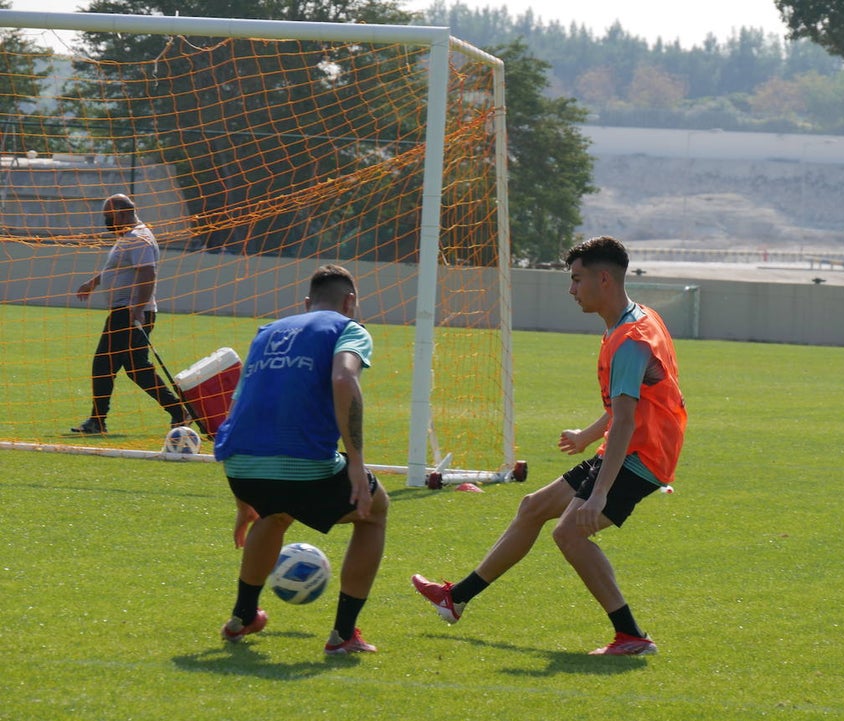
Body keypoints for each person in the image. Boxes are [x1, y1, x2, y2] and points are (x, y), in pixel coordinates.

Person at [413, 236, 687, 655]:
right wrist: (588, 436)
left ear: (604, 279)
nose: (571, 289)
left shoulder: (630, 340)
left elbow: (630, 420)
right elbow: (630, 406)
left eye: (577, 280)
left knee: (570, 534)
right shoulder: (636, 320)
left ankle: (632, 636)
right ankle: (457, 597)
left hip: (641, 457)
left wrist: (597, 496)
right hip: (631, 447)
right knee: (532, 508)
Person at [213, 264, 389, 656]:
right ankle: (344, 635)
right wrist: (357, 464)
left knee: (275, 512)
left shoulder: (266, 333)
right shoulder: (348, 328)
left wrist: (244, 503)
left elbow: (239, 405)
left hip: (240, 467)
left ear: (307, 304)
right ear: (350, 302)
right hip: (303, 469)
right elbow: (344, 380)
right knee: (375, 510)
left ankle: (244, 616)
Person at [71, 193, 191, 434]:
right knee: (137, 369)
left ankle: (97, 421)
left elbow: (148, 274)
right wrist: (93, 283)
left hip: (129, 312)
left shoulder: (139, 238)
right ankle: (179, 411)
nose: (107, 221)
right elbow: (117, 269)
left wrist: (137, 310)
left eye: (109, 216)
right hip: (127, 311)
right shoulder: (127, 237)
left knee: (104, 363)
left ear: (124, 213)